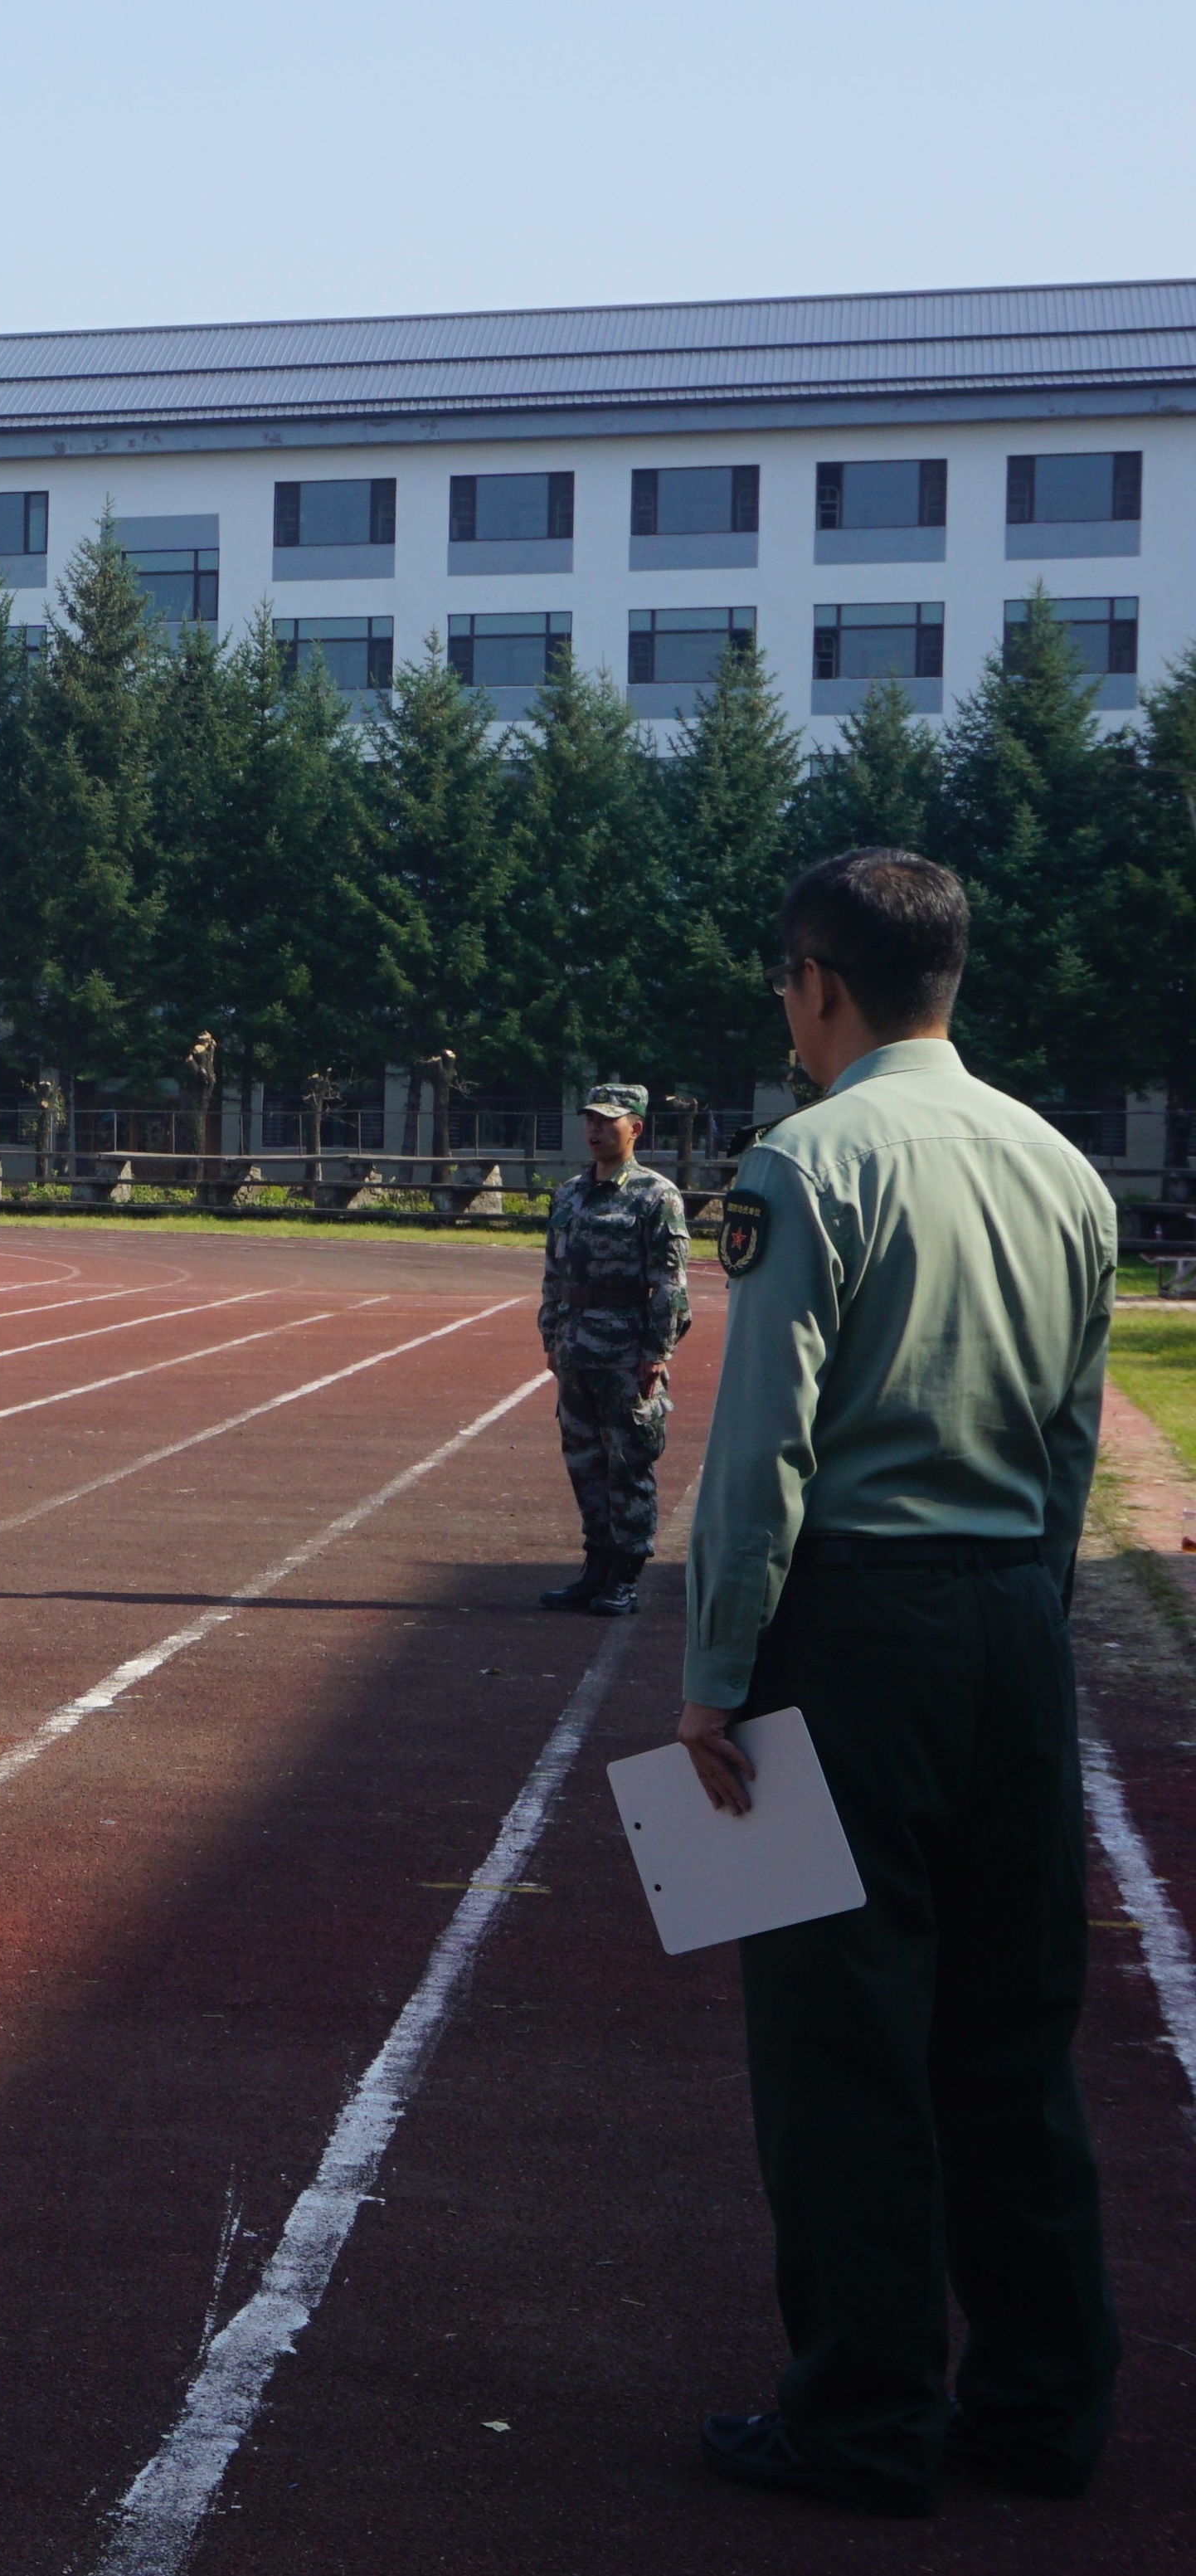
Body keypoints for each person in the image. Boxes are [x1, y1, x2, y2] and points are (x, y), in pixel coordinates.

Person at [678, 848, 1120, 2518]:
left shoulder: (805, 1161)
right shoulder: (1056, 1166)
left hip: (850, 1628)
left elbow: (758, 1452)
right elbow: (1070, 1435)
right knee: (1010, 2031)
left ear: (817, 981)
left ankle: (860, 2416)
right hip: (1008, 1615)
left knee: (838, 2034)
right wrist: (1028, 1601)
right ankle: (1038, 2401)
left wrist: (712, 1675)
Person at [537, 1081, 693, 1616]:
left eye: (608, 1119)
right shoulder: (570, 1194)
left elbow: (671, 1285)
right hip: (577, 1349)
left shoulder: (656, 1196)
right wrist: (552, 1339)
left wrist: (658, 1351)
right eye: (591, 1119)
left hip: (627, 1352)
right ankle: (595, 1565)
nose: (596, 1128)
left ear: (636, 1128)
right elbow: (554, 1276)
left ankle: (626, 1574)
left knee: (628, 1463)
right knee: (584, 1461)